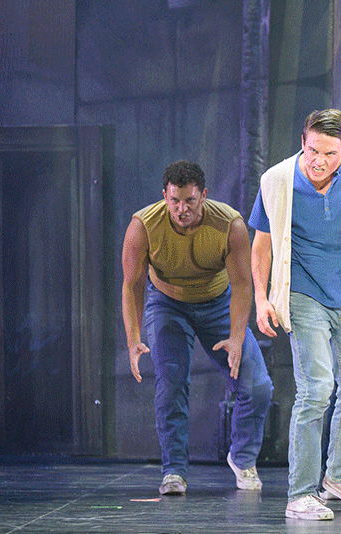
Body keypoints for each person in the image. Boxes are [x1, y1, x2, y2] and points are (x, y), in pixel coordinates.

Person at [248, 109, 341, 520]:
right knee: (316, 389)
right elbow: (261, 244)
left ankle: (340, 476)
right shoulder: (277, 180)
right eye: (313, 150)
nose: (319, 160)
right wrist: (261, 299)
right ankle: (301, 492)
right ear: (303, 142)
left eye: (329, 153)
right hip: (303, 293)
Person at [121, 160, 273, 496]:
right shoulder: (143, 226)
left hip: (218, 303)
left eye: (189, 200)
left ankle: (243, 458)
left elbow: (243, 284)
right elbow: (131, 286)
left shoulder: (228, 223)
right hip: (167, 305)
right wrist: (133, 338)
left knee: (258, 387)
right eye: (174, 201)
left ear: (203, 195)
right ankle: (174, 471)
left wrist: (236, 337)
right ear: (165, 195)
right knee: (172, 383)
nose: (181, 209)